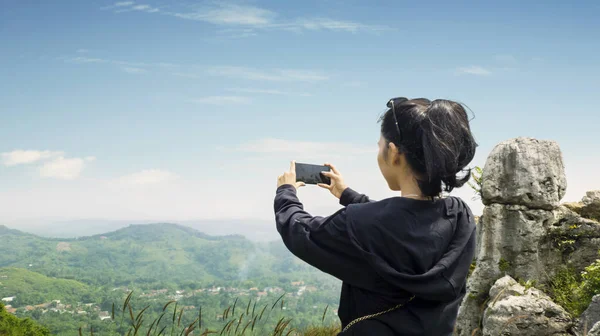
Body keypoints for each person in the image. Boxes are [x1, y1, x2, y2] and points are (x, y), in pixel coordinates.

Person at [274, 97, 478, 335]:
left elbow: (299, 232)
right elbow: (401, 223)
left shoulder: (359, 223)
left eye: (380, 145)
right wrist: (347, 194)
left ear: (393, 153)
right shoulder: (460, 215)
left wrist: (285, 192)